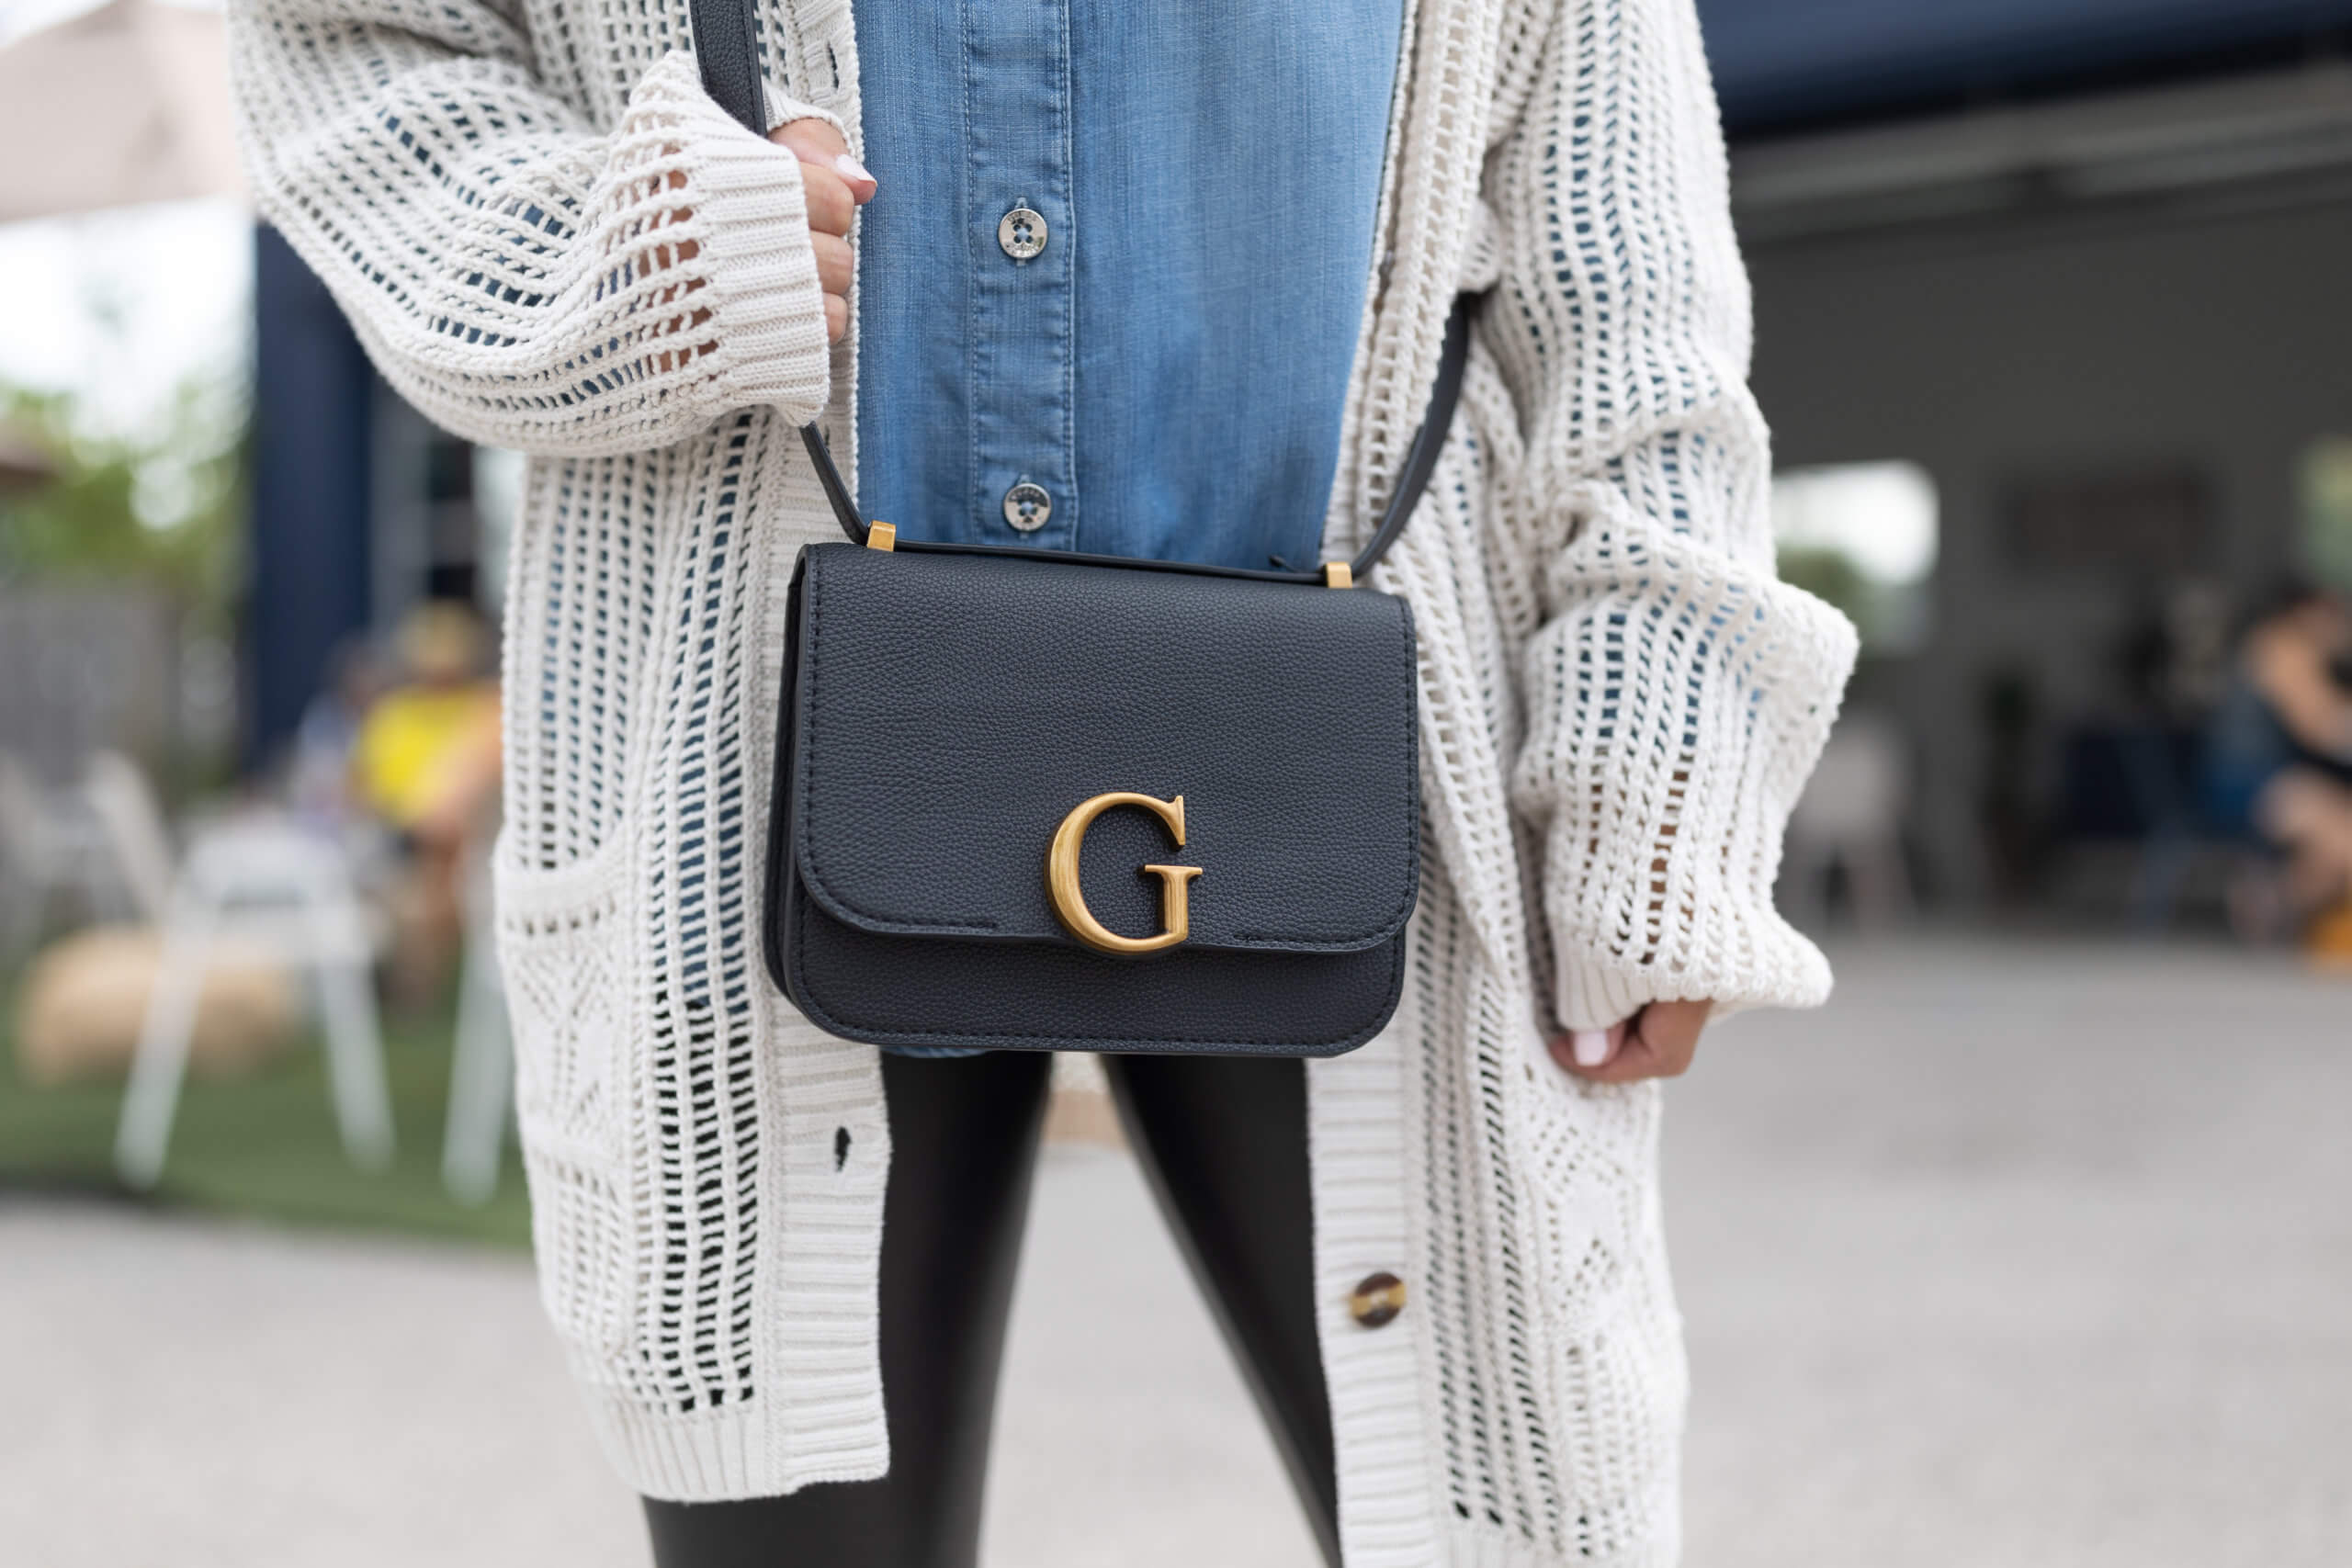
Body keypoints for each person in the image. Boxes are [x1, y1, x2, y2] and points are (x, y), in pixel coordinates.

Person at [230, 1, 1857, 1563]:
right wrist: (625, 251)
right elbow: (349, 40)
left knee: (1518, 1505)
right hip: (749, 768)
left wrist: (1664, 767)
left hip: (1376, 766)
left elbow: (1634, 303)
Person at [2205, 580, 2352, 919]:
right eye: (2334, 614)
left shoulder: (2291, 650)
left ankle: (2269, 899)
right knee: (2341, 836)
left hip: (2276, 781)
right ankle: (2267, 900)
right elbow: (2321, 725)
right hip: (2251, 785)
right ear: (2306, 612)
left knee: (2331, 853)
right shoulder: (2282, 647)